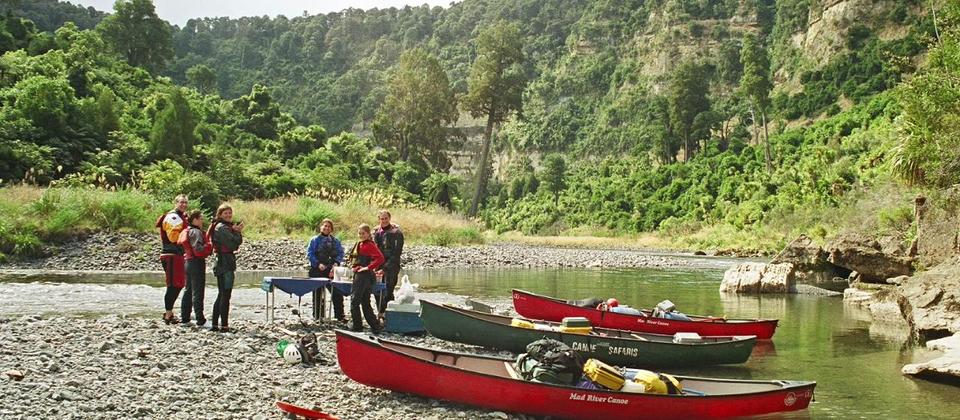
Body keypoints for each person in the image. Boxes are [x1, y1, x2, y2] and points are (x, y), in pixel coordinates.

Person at [208, 204, 243, 332]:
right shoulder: (222, 228)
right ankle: (224, 326)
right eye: (225, 213)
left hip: (223, 262)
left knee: (222, 294)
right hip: (224, 263)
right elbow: (234, 243)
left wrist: (234, 231)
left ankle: (216, 324)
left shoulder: (222, 226)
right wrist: (238, 232)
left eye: (230, 213)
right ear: (220, 215)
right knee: (225, 294)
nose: (228, 215)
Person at [156, 195, 189, 324]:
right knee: (173, 285)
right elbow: (173, 238)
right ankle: (168, 313)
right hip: (170, 255)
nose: (183, 205)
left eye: (185, 203)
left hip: (178, 255)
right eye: (181, 202)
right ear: (175, 203)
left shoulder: (181, 217)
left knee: (179, 284)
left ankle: (169, 312)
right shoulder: (173, 217)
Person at [348, 224, 384, 333]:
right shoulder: (359, 244)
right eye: (359, 233)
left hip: (363, 276)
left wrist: (367, 267)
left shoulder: (370, 245)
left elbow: (380, 258)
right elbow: (353, 259)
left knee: (354, 301)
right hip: (360, 274)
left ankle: (357, 325)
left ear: (368, 234)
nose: (361, 235)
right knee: (365, 301)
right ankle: (374, 325)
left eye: (363, 233)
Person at [307, 219, 345, 321]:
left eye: (329, 226)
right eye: (325, 226)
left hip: (331, 270)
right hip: (317, 269)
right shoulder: (314, 240)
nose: (326, 228)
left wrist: (336, 263)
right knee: (318, 293)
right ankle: (318, 316)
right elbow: (310, 254)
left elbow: (341, 253)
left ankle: (340, 316)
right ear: (321, 227)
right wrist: (318, 264)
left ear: (331, 229)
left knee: (337, 292)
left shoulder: (336, 241)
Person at [179, 210, 212, 327]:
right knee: (198, 291)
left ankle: (185, 317)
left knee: (188, 290)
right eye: (201, 218)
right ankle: (200, 319)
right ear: (195, 220)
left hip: (188, 262)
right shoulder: (196, 232)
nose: (202, 221)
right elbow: (198, 249)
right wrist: (209, 246)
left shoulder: (188, 230)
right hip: (196, 262)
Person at [373, 210, 404, 319]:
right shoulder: (376, 232)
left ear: (389, 219)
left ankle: (389, 315)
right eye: (382, 219)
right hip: (378, 265)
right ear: (379, 219)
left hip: (392, 266)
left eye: (386, 218)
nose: (384, 220)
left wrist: (385, 268)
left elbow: (396, 254)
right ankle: (381, 313)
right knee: (377, 290)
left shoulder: (397, 233)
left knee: (388, 290)